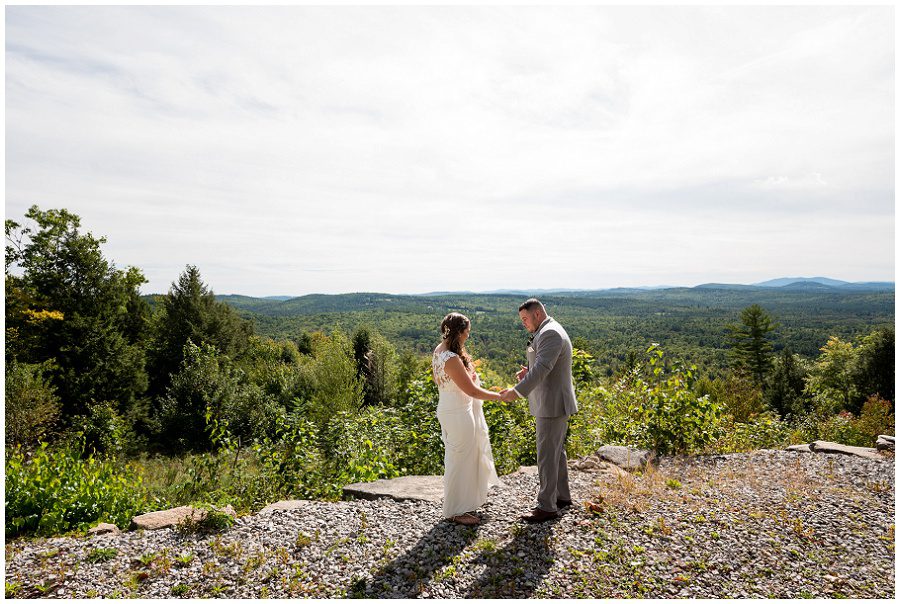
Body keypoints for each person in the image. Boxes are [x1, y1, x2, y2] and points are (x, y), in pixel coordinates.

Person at [499, 299, 578, 523]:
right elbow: (545, 366)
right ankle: (561, 497)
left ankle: (546, 507)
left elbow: (543, 368)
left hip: (552, 404)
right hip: (553, 402)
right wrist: (529, 372)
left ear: (537, 314)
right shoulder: (548, 330)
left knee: (546, 455)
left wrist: (516, 392)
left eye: (525, 319)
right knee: (556, 453)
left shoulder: (550, 333)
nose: (523, 324)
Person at [432, 312, 502, 526]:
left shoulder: (439, 351)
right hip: (458, 413)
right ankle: (455, 510)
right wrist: (499, 397)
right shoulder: (451, 359)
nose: (468, 336)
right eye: (467, 332)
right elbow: (473, 392)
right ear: (459, 332)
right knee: (459, 461)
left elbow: (441, 381)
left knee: (459, 459)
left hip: (451, 408)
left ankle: (462, 504)